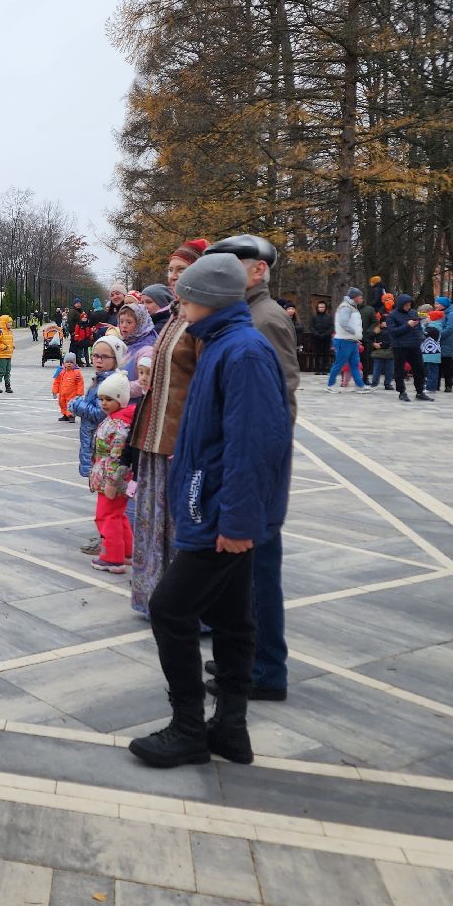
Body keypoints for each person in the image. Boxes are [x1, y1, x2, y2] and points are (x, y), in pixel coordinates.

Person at [129, 252, 292, 769]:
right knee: (231, 617)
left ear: (206, 300)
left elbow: (255, 445)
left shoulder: (241, 352)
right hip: (214, 505)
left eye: (185, 297)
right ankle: (231, 728)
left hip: (223, 515)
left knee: (170, 609)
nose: (180, 305)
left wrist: (239, 523)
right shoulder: (221, 342)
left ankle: (188, 728)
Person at [200, 234, 297, 702]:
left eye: (231, 265)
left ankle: (265, 668)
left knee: (259, 574)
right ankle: (245, 655)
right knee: (243, 576)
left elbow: (277, 405)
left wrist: (256, 479)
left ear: (256, 271)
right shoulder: (245, 316)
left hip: (256, 472)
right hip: (244, 467)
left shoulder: (266, 319)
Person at [126, 237, 206, 598]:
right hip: (155, 435)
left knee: (179, 523)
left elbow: (204, 384)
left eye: (182, 270)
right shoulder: (177, 313)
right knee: (154, 519)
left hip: (179, 439)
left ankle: (183, 602)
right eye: (171, 270)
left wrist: (191, 438)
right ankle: (155, 595)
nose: (173, 277)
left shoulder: (202, 317)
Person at [89, 371, 136, 575]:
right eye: (101, 399)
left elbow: (117, 457)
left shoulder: (118, 424)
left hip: (112, 479)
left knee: (106, 516)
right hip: (113, 477)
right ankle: (126, 553)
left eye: (109, 399)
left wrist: (111, 481)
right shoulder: (116, 419)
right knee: (118, 515)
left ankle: (112, 558)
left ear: (121, 400)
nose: (104, 403)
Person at [71, 333, 127, 482]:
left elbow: (100, 413)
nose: (98, 360)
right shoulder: (100, 378)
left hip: (102, 443)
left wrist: (77, 405)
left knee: (102, 482)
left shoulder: (109, 382)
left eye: (104, 357)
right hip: (93, 439)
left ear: (116, 359)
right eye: (95, 355)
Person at [387, 294, 432, 403]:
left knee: (419, 369)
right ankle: (402, 392)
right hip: (400, 346)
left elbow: (417, 327)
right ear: (400, 304)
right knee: (400, 370)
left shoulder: (413, 312)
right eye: (406, 305)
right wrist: (408, 325)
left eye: (409, 305)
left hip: (414, 346)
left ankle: (420, 391)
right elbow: (393, 332)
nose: (408, 307)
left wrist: (421, 336)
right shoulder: (392, 315)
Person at [326, 287, 368, 392]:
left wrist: (356, 338)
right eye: (360, 296)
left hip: (351, 341)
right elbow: (344, 323)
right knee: (339, 364)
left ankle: (361, 386)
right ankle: (330, 385)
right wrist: (355, 333)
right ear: (355, 297)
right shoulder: (345, 307)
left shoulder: (351, 307)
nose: (362, 298)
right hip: (344, 341)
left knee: (355, 364)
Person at [117, 302, 157, 394]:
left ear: (140, 323)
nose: (124, 325)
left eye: (129, 322)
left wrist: (115, 389)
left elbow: (144, 383)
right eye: (121, 321)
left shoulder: (147, 348)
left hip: (136, 405)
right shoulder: (126, 343)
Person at [433, 296, 453, 393]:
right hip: (438, 342)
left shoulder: (451, 314)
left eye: (437, 303)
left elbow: (450, 327)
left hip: (446, 342)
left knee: (447, 365)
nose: (435, 305)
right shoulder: (439, 313)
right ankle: (436, 385)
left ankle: (448, 385)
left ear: (443, 305)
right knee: (437, 365)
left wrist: (438, 335)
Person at [52, 352, 85, 421]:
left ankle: (71, 416)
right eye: (67, 362)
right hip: (62, 393)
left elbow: (80, 383)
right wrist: (54, 391)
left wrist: (80, 393)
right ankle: (65, 414)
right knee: (62, 403)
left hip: (72, 393)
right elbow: (56, 382)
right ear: (64, 363)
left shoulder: (76, 372)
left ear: (74, 363)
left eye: (71, 362)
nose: (69, 364)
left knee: (71, 405)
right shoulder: (61, 372)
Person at [308, 300, 334, 375]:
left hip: (326, 338)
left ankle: (325, 369)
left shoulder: (329, 317)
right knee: (317, 353)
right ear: (317, 308)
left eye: (323, 307)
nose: (321, 308)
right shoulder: (314, 317)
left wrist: (325, 334)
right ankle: (317, 369)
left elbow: (331, 327)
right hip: (316, 338)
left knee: (326, 353)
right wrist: (316, 334)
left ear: (325, 308)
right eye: (320, 307)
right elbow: (311, 326)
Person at [0, 314, 15, 392]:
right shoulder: (0, 332)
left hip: (9, 355)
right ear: (4, 323)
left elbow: (9, 341)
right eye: (8, 322)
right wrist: (3, 347)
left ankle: (8, 386)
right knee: (2, 371)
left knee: (8, 372)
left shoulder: (10, 332)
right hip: (2, 355)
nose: (10, 324)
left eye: (11, 322)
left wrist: (12, 346)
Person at [369, 316, 394, 390]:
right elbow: (369, 338)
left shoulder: (392, 329)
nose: (386, 323)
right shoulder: (377, 329)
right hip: (379, 352)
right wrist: (373, 344)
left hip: (390, 351)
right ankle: (374, 383)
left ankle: (387, 384)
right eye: (384, 321)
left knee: (389, 369)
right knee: (377, 369)